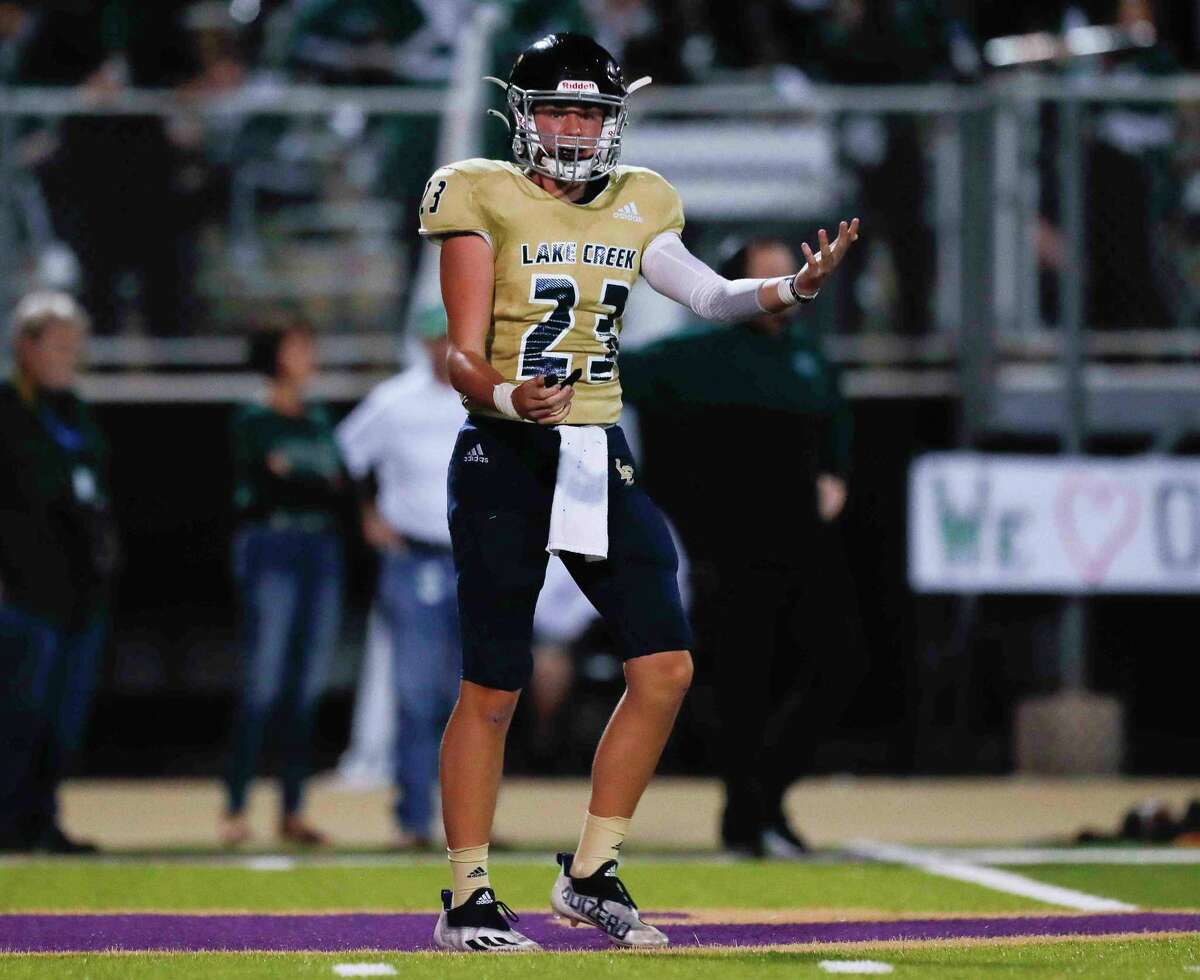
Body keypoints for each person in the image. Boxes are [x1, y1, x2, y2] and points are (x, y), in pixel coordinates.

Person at [418, 32, 859, 952]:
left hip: (594, 452)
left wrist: (791, 287)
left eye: (591, 112)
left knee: (665, 667)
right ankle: (466, 893)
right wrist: (505, 393)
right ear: (523, 114)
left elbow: (707, 296)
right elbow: (460, 351)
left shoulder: (640, 198)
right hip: (504, 449)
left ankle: (589, 871)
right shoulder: (477, 190)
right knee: (492, 686)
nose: (575, 129)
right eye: (560, 110)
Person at [622, 236, 867, 858]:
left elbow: (835, 424)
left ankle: (766, 793)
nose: (781, 289)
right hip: (730, 542)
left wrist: (836, 472)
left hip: (802, 536)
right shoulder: (694, 355)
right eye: (766, 278)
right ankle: (746, 813)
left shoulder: (810, 357)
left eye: (790, 276)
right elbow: (621, 380)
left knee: (841, 660)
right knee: (742, 679)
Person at [335, 308, 465, 850]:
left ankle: (470, 821)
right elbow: (343, 452)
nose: (441, 349)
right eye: (434, 339)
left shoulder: (485, 395)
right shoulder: (394, 400)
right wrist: (367, 513)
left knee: (480, 695)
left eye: (449, 338)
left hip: (477, 561)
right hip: (415, 559)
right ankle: (414, 816)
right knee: (417, 692)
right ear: (421, 343)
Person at [0, 291, 117, 853]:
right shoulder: (6, 408)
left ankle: (41, 822)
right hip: (21, 590)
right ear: (25, 345)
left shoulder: (72, 409)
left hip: (78, 592)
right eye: (59, 345)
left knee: (60, 722)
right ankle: (9, 822)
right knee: (18, 716)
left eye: (77, 346)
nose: (70, 356)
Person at [222, 319, 344, 848]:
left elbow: (330, 476)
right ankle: (235, 807)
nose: (308, 355)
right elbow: (271, 476)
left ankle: (292, 809)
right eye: (298, 346)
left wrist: (298, 472)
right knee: (264, 684)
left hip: (318, 548)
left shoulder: (318, 416)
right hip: (271, 548)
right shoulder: (253, 415)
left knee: (306, 689)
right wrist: (302, 474)